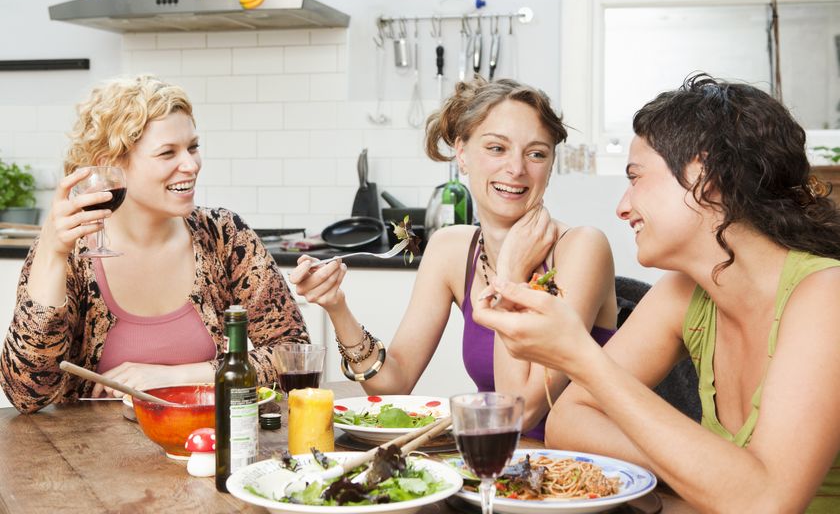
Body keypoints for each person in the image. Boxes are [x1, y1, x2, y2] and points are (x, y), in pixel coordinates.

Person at [473, 73, 840, 512]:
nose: (622, 206)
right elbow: (568, 422)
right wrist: (711, 475)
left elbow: (767, 503)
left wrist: (580, 355)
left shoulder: (825, 296)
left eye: (636, 177)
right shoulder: (686, 293)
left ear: (705, 176)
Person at [290, 77, 617, 440]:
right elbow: (393, 385)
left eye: (536, 153)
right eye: (496, 148)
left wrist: (510, 272)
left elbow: (520, 410)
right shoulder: (451, 249)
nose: (516, 168)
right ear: (461, 153)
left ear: (550, 165)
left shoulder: (583, 248)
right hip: (489, 459)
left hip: (576, 474)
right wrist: (337, 306)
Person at [0, 75, 309, 414]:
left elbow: (294, 358)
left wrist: (177, 376)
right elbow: (27, 394)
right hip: (91, 459)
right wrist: (51, 252)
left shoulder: (222, 235)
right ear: (112, 163)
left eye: (192, 147)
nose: (191, 165)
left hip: (205, 453)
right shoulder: (74, 253)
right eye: (167, 153)